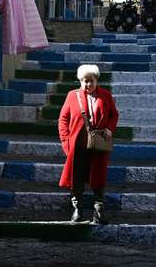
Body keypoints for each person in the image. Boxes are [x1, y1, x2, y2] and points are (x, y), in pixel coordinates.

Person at [58, 64, 119, 224]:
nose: (88, 84)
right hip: (77, 144)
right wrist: (66, 142)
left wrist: (109, 129)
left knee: (97, 177)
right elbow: (63, 119)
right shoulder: (72, 96)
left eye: (91, 81)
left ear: (96, 80)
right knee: (76, 176)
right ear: (80, 81)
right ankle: (77, 210)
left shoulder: (106, 96)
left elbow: (114, 115)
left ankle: (99, 211)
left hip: (98, 144)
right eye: (84, 81)